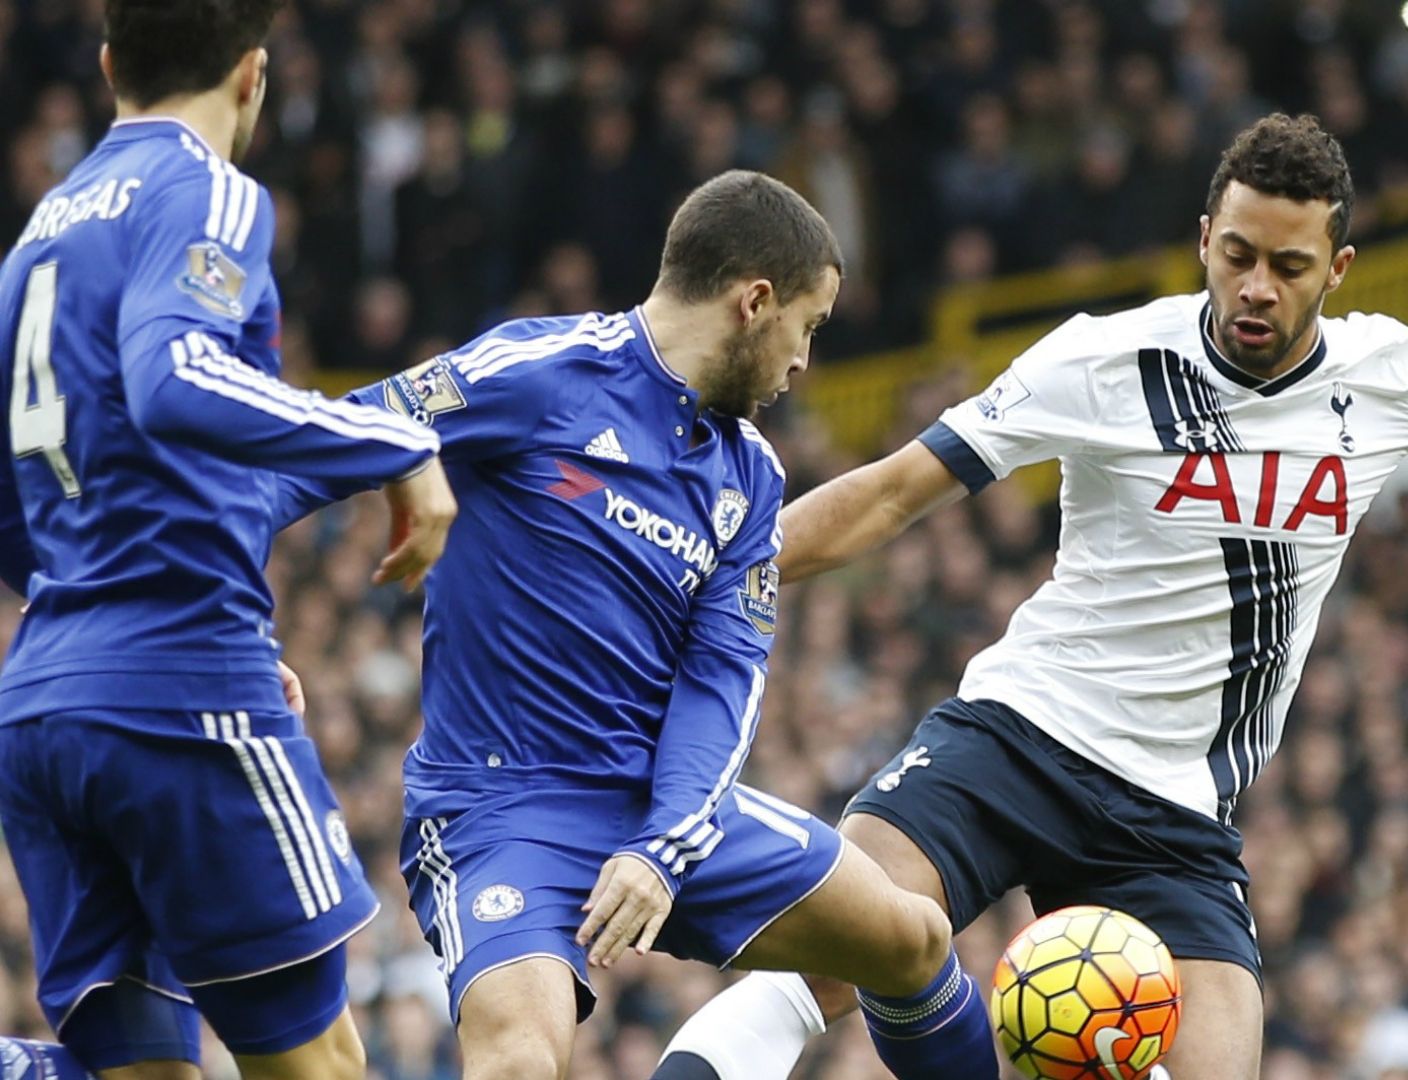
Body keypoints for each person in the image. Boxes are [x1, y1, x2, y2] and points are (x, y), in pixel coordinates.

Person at [652, 113, 1408, 1080]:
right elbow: (889, 497)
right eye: (1236, 256)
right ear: (1205, 238)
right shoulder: (1101, 360)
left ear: (1334, 269)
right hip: (1016, 738)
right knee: (838, 943)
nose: (1255, 286)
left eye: (1288, 267)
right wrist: (692, 570)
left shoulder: (1388, 377)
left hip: (1176, 815)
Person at [271, 170, 998, 1080]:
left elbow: (720, 684)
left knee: (912, 939)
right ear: (755, 302)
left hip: (661, 802)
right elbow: (311, 442)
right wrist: (229, 623)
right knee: (519, 1064)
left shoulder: (751, 478)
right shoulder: (540, 375)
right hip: (502, 812)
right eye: (807, 328)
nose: (804, 361)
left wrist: (662, 845)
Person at [0, 0, 458, 1077]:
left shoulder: (37, 236)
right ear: (254, 76)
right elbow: (175, 378)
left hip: (44, 706)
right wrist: (396, 443)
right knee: (321, 1067)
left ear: (111, 66)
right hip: (177, 686)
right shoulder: (204, 189)